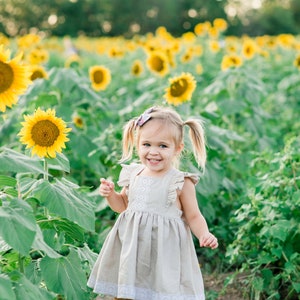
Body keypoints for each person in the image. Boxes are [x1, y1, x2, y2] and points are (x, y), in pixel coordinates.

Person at [87, 106, 218, 300]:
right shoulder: (134, 174)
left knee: (160, 291)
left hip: (163, 253)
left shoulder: (180, 182)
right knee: (129, 290)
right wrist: (111, 194)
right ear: (137, 144)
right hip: (133, 250)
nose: (153, 152)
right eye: (146, 144)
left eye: (163, 146)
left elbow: (193, 216)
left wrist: (204, 234)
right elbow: (123, 206)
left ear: (178, 148)